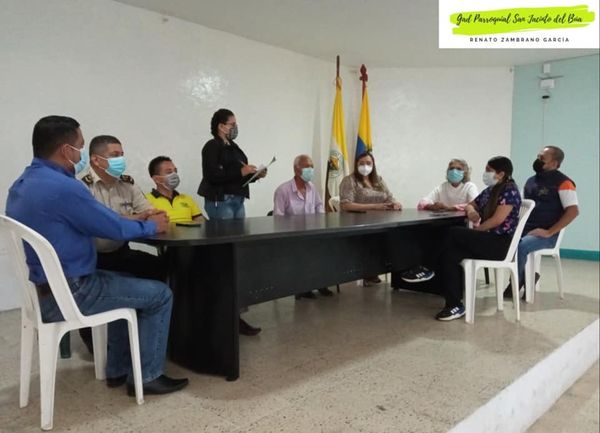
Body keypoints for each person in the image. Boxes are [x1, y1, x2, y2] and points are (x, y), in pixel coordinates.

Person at [6, 116, 188, 395]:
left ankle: (117, 369)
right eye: (79, 147)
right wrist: (152, 226)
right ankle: (149, 375)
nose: (80, 155)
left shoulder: (22, 184)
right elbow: (112, 227)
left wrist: (137, 220)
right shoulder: (64, 187)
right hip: (73, 290)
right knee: (160, 294)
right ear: (66, 150)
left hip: (43, 292)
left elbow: (104, 220)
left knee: (123, 281)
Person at [78, 135, 168, 354]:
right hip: (92, 259)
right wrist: (134, 217)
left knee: (163, 266)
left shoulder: (127, 184)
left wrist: (146, 216)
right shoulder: (82, 187)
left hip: (121, 251)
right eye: (114, 155)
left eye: (122, 155)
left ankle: (148, 331)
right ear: (96, 160)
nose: (121, 160)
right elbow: (99, 223)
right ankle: (93, 338)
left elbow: (151, 213)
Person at [197, 108, 266, 336]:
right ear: (221, 125)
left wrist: (254, 175)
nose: (235, 127)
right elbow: (212, 176)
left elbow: (238, 176)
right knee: (224, 255)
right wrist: (241, 171)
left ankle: (235, 315)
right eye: (232, 124)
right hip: (221, 202)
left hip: (237, 200)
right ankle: (224, 317)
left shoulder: (234, 148)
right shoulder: (212, 146)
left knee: (236, 255)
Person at [434, 156, 522, 321]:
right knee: (449, 255)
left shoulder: (510, 191)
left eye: (489, 170)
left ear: (501, 174)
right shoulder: (490, 190)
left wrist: (478, 231)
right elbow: (471, 204)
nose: (485, 173)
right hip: (487, 241)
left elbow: (497, 220)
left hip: (500, 245)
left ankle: (426, 265)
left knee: (451, 232)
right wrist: (472, 211)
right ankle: (454, 305)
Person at [505, 146, 579, 298]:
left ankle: (515, 283)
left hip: (547, 234)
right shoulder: (531, 181)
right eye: (538, 157)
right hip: (526, 229)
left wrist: (549, 232)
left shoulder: (564, 183)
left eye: (542, 159)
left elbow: (573, 211)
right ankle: (527, 278)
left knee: (521, 246)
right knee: (503, 241)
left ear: (554, 163)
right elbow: (520, 207)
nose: (537, 161)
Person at [401, 159, 479, 283]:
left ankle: (427, 268)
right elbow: (422, 202)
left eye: (458, 169)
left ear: (465, 172)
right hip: (444, 224)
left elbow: (475, 204)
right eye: (451, 168)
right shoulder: (443, 187)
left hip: (464, 227)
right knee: (421, 232)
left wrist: (449, 208)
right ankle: (418, 268)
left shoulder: (469, 186)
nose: (454, 171)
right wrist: (432, 206)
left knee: (441, 235)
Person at [273, 154, 333, 299]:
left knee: (327, 246)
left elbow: (319, 206)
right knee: (303, 250)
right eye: (307, 167)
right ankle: (302, 287)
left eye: (312, 167)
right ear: (296, 169)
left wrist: (320, 223)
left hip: (312, 232)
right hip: (292, 235)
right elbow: (278, 217)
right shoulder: (283, 190)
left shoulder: (312, 187)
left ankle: (321, 283)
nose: (310, 170)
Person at [339, 151, 402, 285]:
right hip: (357, 223)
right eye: (361, 163)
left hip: (380, 222)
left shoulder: (378, 180)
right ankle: (368, 271)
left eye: (368, 163)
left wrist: (395, 203)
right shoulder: (349, 180)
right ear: (356, 165)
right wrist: (375, 206)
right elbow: (345, 205)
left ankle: (393, 271)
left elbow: (389, 197)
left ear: (373, 165)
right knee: (373, 238)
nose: (365, 166)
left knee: (399, 235)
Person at [146, 156, 203, 223]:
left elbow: (201, 222)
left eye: (175, 171)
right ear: (156, 179)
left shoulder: (187, 198)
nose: (174, 175)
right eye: (169, 172)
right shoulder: (145, 201)